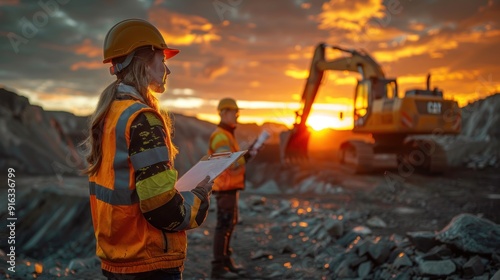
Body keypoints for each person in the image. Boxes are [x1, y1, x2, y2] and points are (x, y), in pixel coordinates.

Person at [82, 18, 213, 280]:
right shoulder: (143, 120)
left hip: (119, 256)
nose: (167, 70)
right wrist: (198, 200)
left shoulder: (111, 113)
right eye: (162, 59)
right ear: (144, 61)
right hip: (148, 262)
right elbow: (161, 208)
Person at [208, 98, 259, 279]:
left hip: (230, 189)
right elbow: (228, 164)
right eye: (233, 111)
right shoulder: (221, 136)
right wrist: (248, 156)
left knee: (229, 224)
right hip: (225, 189)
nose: (237, 115)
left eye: (237, 111)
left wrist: (246, 153)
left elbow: (231, 160)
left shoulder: (227, 134)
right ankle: (217, 268)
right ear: (223, 113)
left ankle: (225, 262)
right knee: (223, 226)